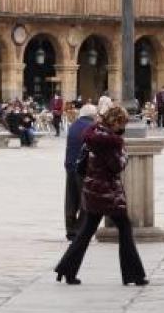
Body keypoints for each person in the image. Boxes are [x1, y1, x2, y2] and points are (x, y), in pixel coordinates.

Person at [54, 106, 147, 286]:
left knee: (85, 232)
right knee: (125, 229)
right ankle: (134, 274)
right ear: (116, 122)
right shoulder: (110, 142)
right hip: (108, 193)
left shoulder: (94, 135)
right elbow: (117, 166)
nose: (124, 127)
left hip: (93, 190)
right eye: (123, 123)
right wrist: (124, 154)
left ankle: (66, 269)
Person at [64, 103, 96, 240]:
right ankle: (80, 230)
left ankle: (70, 229)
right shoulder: (91, 127)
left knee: (71, 200)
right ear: (93, 115)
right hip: (83, 168)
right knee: (85, 200)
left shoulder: (74, 126)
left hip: (70, 166)